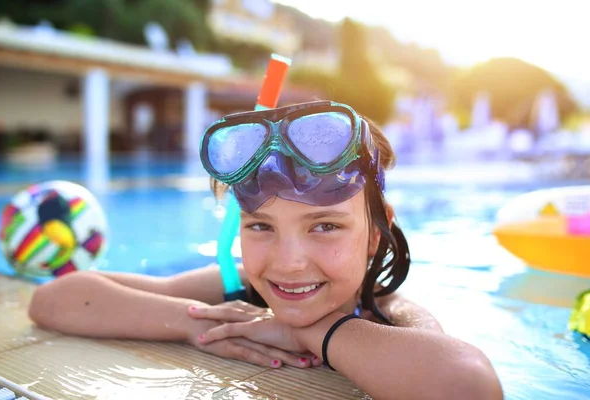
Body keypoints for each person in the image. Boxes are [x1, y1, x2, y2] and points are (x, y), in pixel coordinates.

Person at [29, 100, 503, 400]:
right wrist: (199, 325)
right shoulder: (237, 290)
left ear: (375, 236)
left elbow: (468, 384)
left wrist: (306, 333)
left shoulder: (390, 313)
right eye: (261, 226)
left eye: (324, 226)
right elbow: (55, 299)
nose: (288, 261)